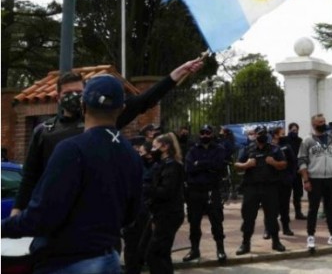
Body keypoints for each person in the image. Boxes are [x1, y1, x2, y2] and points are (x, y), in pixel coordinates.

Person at [11, 58, 202, 217]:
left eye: (79, 92)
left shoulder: (99, 121)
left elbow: (144, 100)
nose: (74, 97)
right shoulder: (44, 131)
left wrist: (175, 75)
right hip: (55, 211)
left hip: (93, 212)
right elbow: (30, 176)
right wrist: (18, 210)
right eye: (68, 93)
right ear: (58, 97)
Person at [2, 74, 143, 274]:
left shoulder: (71, 150)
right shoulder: (132, 154)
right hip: (108, 259)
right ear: (122, 109)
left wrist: (6, 226)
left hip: (66, 262)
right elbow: (131, 215)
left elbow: (43, 215)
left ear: (83, 105)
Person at [234, 126, 287, 254]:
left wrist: (274, 162)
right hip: (252, 187)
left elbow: (284, 164)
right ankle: (245, 243)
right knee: (248, 217)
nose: (261, 136)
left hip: (270, 187)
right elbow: (236, 165)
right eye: (259, 134)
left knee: (272, 216)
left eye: (264, 133)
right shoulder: (247, 149)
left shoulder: (274, 149)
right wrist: (246, 165)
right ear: (255, 135)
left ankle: (276, 241)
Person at [298, 113, 332, 252]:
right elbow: (301, 161)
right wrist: (306, 180)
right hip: (314, 179)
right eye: (320, 122)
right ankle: (311, 236)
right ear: (313, 124)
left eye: (324, 121)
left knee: (330, 209)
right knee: (313, 209)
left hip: (330, 179)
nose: (323, 123)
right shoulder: (307, 141)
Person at [182, 124, 228, 263]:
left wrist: (199, 164)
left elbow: (219, 166)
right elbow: (189, 168)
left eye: (207, 133)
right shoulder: (193, 150)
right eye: (202, 133)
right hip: (195, 191)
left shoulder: (219, 149)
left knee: (216, 221)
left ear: (212, 134)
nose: (205, 135)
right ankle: (194, 250)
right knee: (194, 222)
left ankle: (220, 249)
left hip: (212, 190)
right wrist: (207, 166)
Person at [146, 133, 186, 274]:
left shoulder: (173, 166)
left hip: (169, 214)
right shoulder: (162, 164)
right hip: (162, 213)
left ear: (165, 147)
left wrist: (146, 188)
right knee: (160, 253)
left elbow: (165, 191)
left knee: (155, 253)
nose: (152, 149)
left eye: (155, 146)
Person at [123, 137, 158, 274]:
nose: (139, 153)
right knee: (132, 246)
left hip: (146, 211)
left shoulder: (155, 166)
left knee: (143, 246)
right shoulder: (135, 165)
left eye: (141, 151)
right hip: (134, 212)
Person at [271, 126, 298, 237]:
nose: (284, 136)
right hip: (271, 182)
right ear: (275, 135)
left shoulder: (287, 147)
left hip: (285, 181)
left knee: (284, 206)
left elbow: (293, 162)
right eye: (281, 134)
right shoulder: (268, 147)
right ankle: (269, 229)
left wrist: (291, 176)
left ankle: (286, 228)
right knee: (271, 207)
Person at [286, 122, 307, 220]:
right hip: (287, 171)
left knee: (298, 193)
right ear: (289, 130)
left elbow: (302, 155)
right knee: (285, 194)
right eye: (293, 130)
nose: (295, 132)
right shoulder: (285, 140)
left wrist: (301, 167)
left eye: (296, 130)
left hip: (297, 171)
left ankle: (298, 212)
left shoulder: (300, 141)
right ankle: (284, 213)